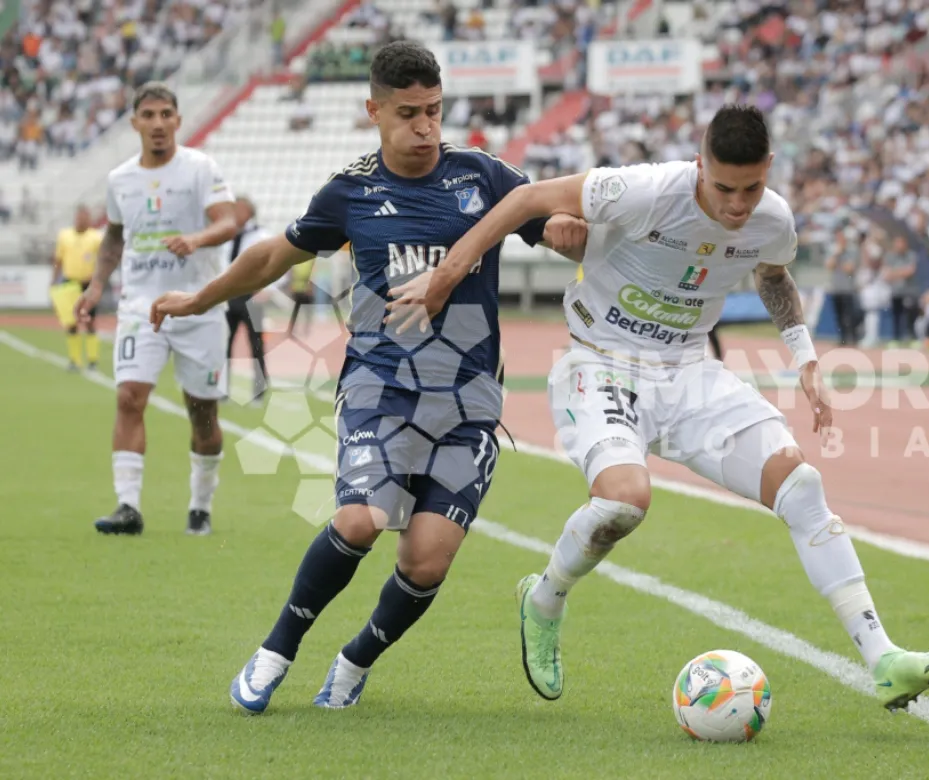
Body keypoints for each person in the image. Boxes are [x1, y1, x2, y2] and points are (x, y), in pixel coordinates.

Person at [393, 104, 929, 713]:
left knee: (800, 485)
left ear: (769, 169)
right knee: (623, 501)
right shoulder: (641, 192)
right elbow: (524, 200)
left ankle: (884, 660)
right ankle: (545, 598)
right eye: (723, 187)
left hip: (691, 374)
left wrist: (805, 358)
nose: (738, 204)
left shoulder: (772, 219)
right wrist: (448, 275)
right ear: (699, 165)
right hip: (601, 363)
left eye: (751, 187)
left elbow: (773, 275)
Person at [148, 41, 587, 714]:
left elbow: (549, 220)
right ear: (373, 110)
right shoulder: (351, 191)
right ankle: (275, 652)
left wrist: (564, 232)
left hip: (468, 404)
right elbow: (272, 256)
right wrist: (198, 299)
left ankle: (355, 661)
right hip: (380, 390)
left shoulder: (485, 178)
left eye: (436, 112)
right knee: (358, 521)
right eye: (409, 113)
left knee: (426, 562)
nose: (426, 129)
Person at [74, 82, 240, 538]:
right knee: (129, 397)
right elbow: (113, 237)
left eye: (166, 114)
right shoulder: (119, 179)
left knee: (202, 414)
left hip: (198, 306)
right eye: (149, 115)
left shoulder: (201, 168)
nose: (158, 123)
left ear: (178, 121)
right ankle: (128, 506)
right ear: (135, 123)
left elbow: (228, 221)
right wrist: (95, 288)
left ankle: (200, 505)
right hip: (140, 306)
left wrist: (196, 240)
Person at [226, 196, 272, 404]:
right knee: (224, 344)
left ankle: (259, 391)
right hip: (228, 295)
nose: (235, 212)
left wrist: (265, 289)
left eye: (239, 209)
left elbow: (274, 264)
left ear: (248, 211)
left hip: (252, 295)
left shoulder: (260, 235)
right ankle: (220, 390)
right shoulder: (228, 234)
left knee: (255, 345)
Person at [52, 204, 104, 371]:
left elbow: (103, 260)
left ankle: (92, 360)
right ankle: (75, 360)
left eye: (85, 217)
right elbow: (58, 259)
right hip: (69, 283)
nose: (82, 220)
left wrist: (99, 280)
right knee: (71, 322)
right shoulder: (64, 236)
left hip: (88, 284)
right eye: (80, 217)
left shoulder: (96, 237)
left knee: (89, 321)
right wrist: (54, 279)